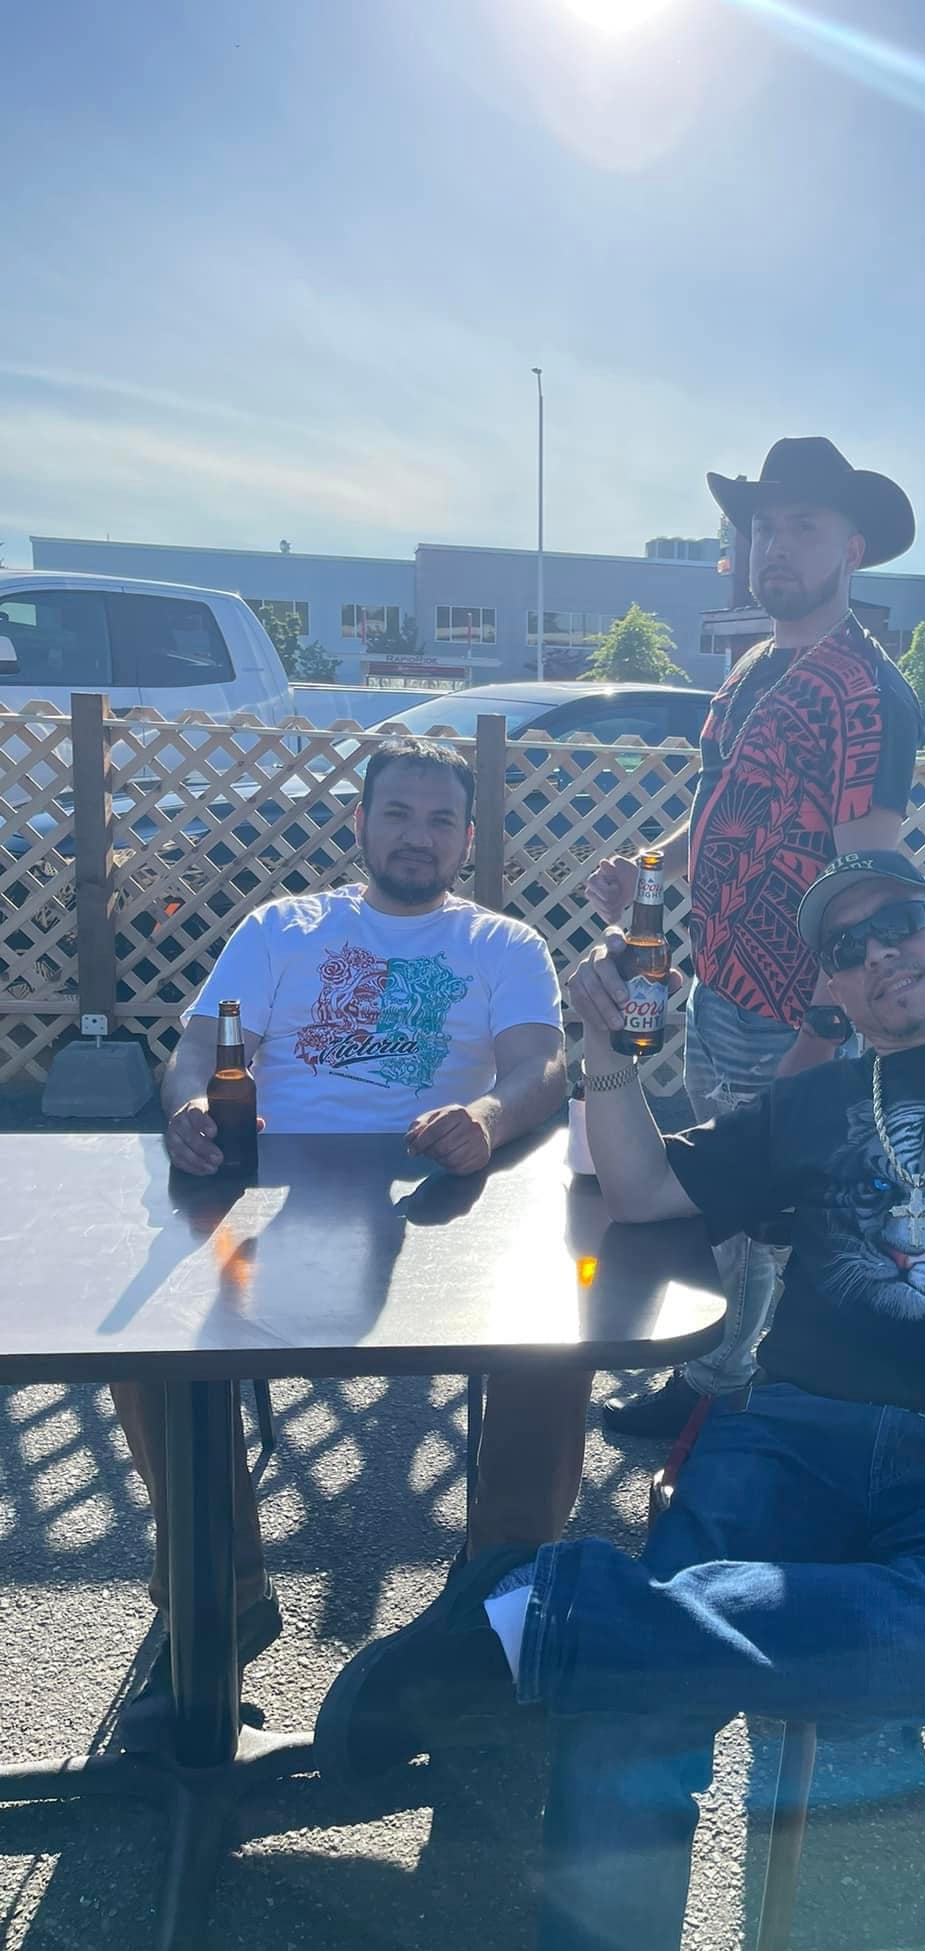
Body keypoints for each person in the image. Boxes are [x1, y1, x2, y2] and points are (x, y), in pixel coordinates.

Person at [314, 848, 925, 1951]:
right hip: (786, 1435)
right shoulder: (819, 1098)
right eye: (847, 950)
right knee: (631, 1714)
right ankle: (578, 1647)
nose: (879, 955)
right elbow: (644, 1191)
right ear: (835, 989)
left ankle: (543, 1609)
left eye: (900, 922)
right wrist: (602, 1049)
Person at [111, 735, 572, 1740]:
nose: (418, 836)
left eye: (441, 820)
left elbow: (541, 1066)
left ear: (468, 839)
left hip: (444, 1206)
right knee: (144, 1351)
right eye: (398, 813)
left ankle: (494, 1600)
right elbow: (198, 1050)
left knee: (555, 1343)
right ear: (358, 823)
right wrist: (188, 1106)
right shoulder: (280, 927)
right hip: (271, 1200)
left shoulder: (505, 944)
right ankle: (219, 1596)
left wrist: (487, 1117)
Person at [587, 436, 924, 1439]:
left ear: (851, 549)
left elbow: (865, 882)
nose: (775, 546)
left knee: (787, 1216)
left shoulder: (867, 693)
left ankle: (747, 1403)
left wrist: (823, 1030)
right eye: (763, 527)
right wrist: (652, 871)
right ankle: (725, 1381)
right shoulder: (748, 672)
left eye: (802, 526)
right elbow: (724, 811)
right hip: (720, 991)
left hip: (797, 1015)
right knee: (735, 1212)